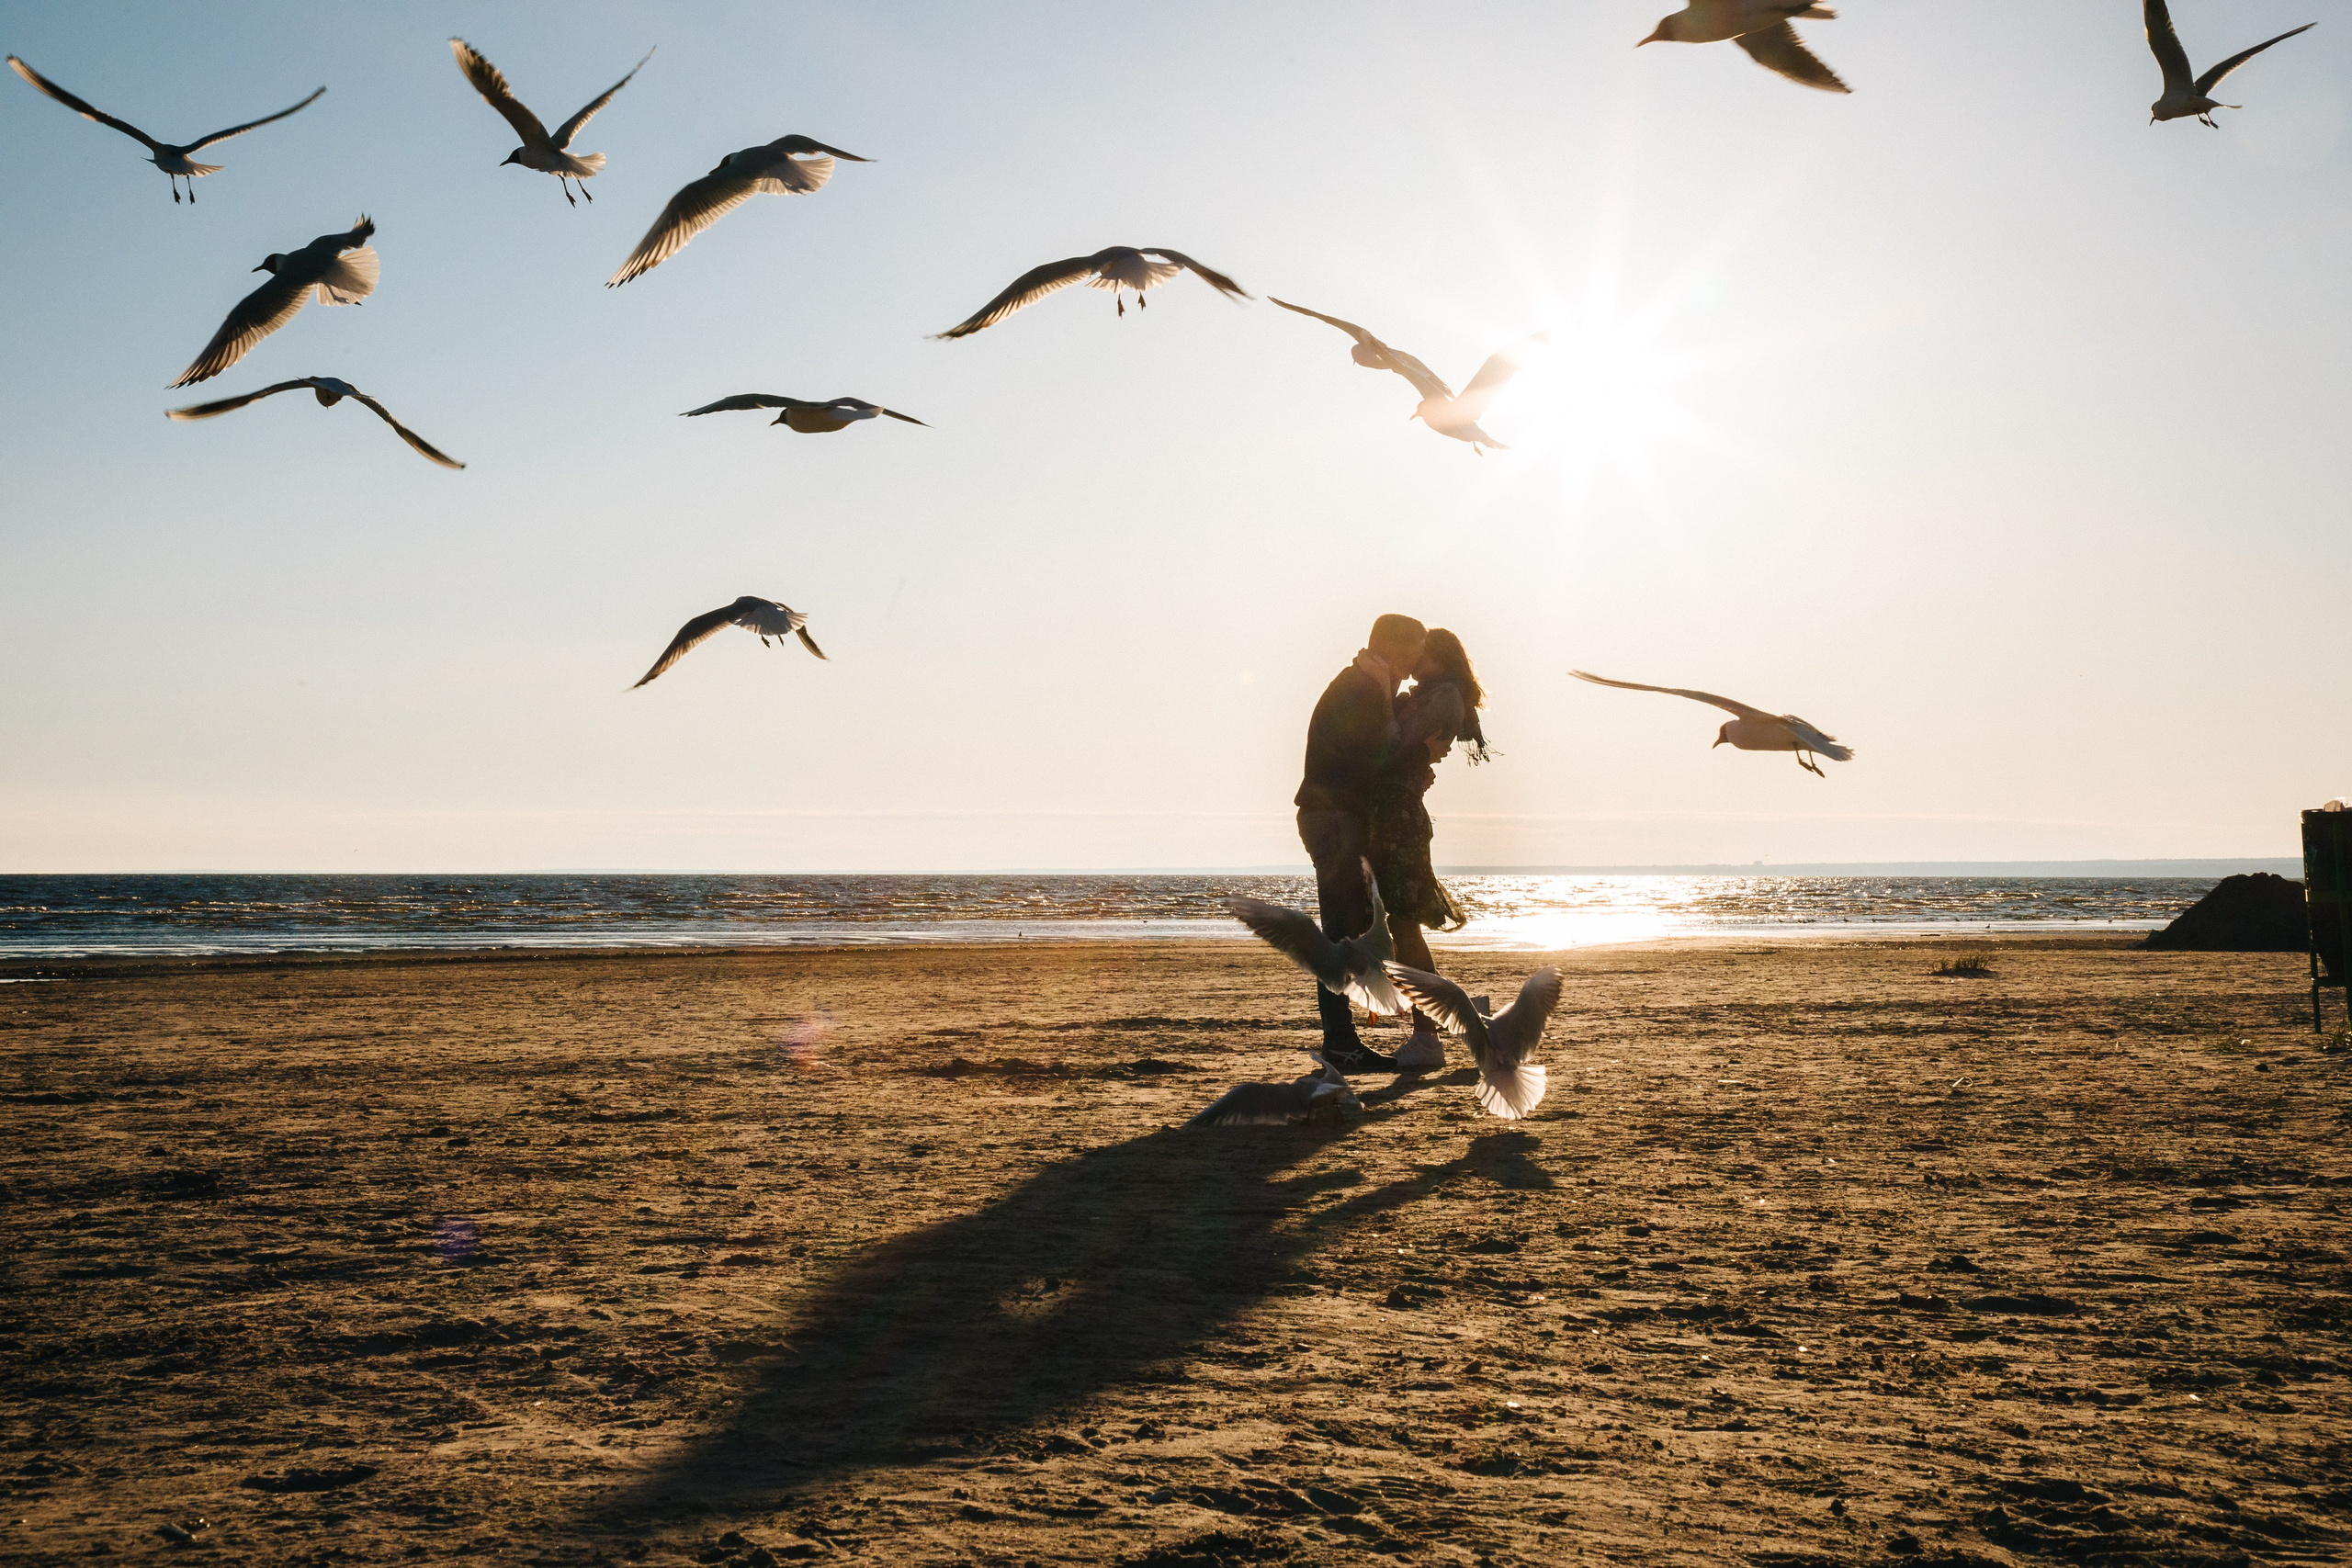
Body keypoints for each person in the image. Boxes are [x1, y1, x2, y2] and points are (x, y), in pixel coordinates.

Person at [1294, 614, 1426, 1072]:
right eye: (1413, 652)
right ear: (1393, 648)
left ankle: (1342, 1039)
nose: (1416, 665)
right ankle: (1340, 1042)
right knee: (1341, 932)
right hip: (1334, 819)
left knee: (1347, 927)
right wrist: (1419, 755)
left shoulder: (1368, 685)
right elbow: (1373, 761)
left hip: (1330, 816)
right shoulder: (1363, 690)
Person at [1368, 628, 1490, 1066]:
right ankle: (1462, 1016)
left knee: (1403, 925)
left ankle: (1430, 1036)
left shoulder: (1442, 697)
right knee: (1399, 925)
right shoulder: (1434, 693)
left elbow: (1397, 744)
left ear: (1436, 656)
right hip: (1396, 811)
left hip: (1399, 815)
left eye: (1420, 652)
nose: (1412, 658)